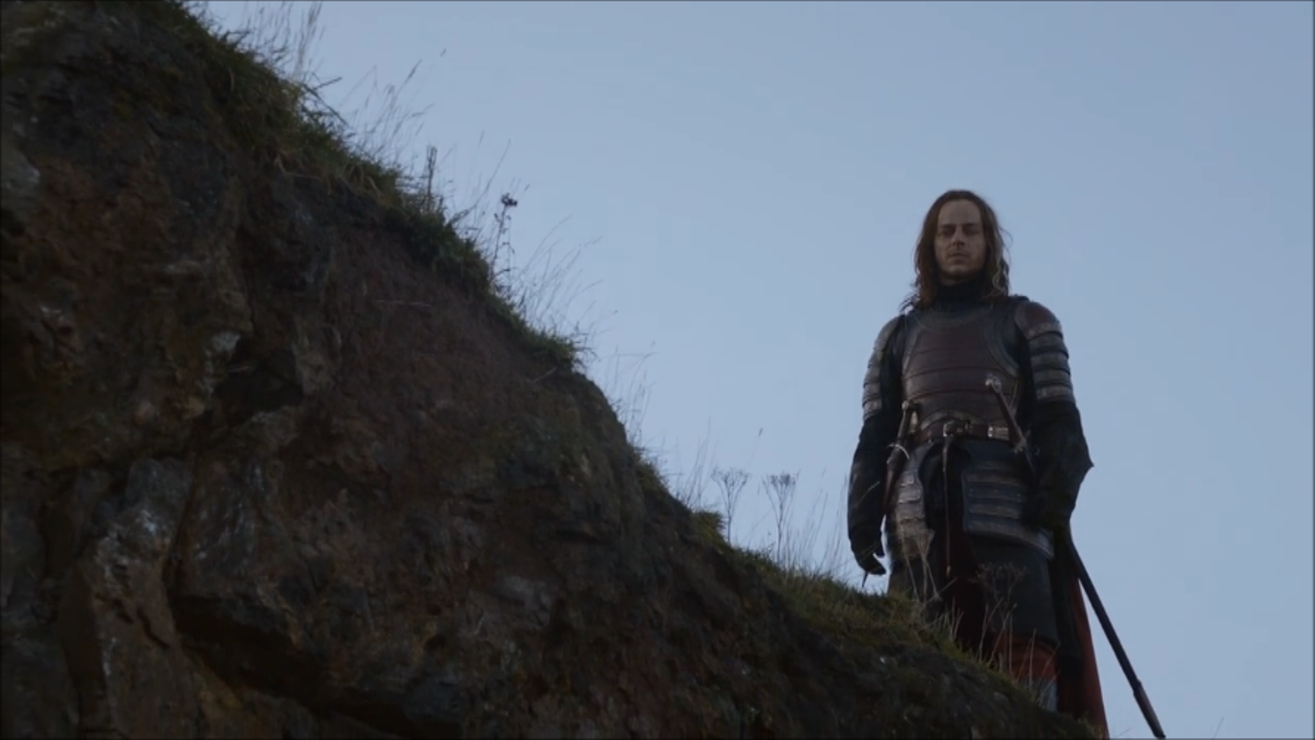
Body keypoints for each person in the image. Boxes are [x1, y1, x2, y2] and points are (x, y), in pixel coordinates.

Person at [846, 189, 1109, 737]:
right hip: (916, 510)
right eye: (947, 232)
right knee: (918, 645)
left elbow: (1061, 422)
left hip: (1008, 507)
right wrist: (863, 513)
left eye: (970, 230)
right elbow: (876, 435)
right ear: (930, 245)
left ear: (990, 243)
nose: (958, 241)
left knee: (1023, 643)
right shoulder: (897, 338)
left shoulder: (1028, 322)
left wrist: (1055, 494)